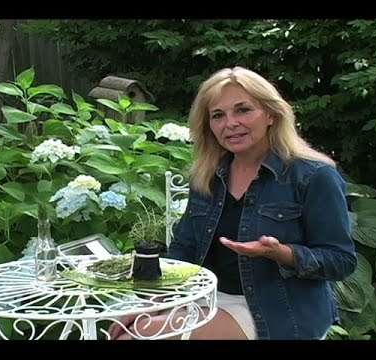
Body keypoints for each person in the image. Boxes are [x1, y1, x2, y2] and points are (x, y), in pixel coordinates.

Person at [109, 66, 357, 340]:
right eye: (218, 115)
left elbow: (341, 260)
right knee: (123, 326)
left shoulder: (313, 176)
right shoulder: (208, 176)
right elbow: (184, 249)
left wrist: (281, 253)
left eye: (243, 110)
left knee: (140, 335)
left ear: (271, 114)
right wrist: (154, 302)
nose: (230, 123)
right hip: (208, 297)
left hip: (277, 309)